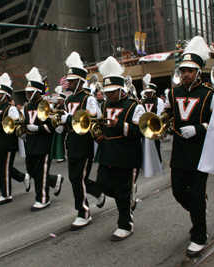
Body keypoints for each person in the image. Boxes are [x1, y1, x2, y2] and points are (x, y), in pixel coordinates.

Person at [164, 36, 214, 257]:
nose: (185, 74)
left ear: (198, 72)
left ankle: (199, 235)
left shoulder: (210, 93)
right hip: (179, 151)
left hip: (201, 152)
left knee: (196, 195)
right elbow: (170, 114)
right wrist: (164, 127)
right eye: (183, 70)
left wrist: (199, 128)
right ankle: (200, 212)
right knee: (178, 192)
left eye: (190, 70)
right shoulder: (173, 92)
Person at [93, 56, 145, 241]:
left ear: (121, 89)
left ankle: (125, 225)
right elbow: (102, 127)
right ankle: (128, 194)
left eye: (112, 92)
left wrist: (119, 125)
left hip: (127, 156)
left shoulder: (134, 106)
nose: (109, 95)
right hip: (107, 154)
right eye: (106, 92)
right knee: (102, 184)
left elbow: (140, 131)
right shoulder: (104, 104)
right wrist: (99, 137)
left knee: (122, 192)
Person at [60, 51, 105, 230]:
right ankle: (96, 192)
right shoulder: (69, 99)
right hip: (72, 143)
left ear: (80, 81)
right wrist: (60, 124)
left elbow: (92, 121)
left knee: (78, 178)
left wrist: (68, 119)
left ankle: (83, 212)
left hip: (84, 143)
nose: (68, 83)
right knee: (74, 178)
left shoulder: (89, 99)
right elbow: (66, 120)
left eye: (71, 80)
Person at [22, 67, 64, 211]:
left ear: (37, 91)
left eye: (29, 91)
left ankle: (43, 199)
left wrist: (38, 129)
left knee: (40, 173)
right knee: (31, 170)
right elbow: (26, 124)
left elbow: (54, 127)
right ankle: (54, 179)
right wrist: (23, 133)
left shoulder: (48, 105)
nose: (27, 94)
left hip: (43, 144)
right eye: (26, 91)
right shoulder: (27, 107)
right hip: (31, 144)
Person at [0, 73, 31, 205]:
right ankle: (23, 177)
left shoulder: (11, 109)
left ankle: (6, 194)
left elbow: (13, 125)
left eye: (0, 94)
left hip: (7, 143)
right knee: (4, 167)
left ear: (6, 95)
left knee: (4, 169)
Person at [141, 74, 165, 163]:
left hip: (155, 125)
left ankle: (158, 160)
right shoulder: (143, 101)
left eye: (149, 92)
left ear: (153, 92)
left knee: (156, 144)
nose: (147, 94)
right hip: (146, 125)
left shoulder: (159, 101)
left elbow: (160, 113)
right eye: (146, 92)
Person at [53, 86, 67, 163]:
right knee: (59, 141)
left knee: (63, 141)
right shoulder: (57, 107)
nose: (58, 100)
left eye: (59, 99)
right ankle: (60, 155)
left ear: (62, 100)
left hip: (64, 126)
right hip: (59, 125)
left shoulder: (65, 106)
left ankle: (63, 155)